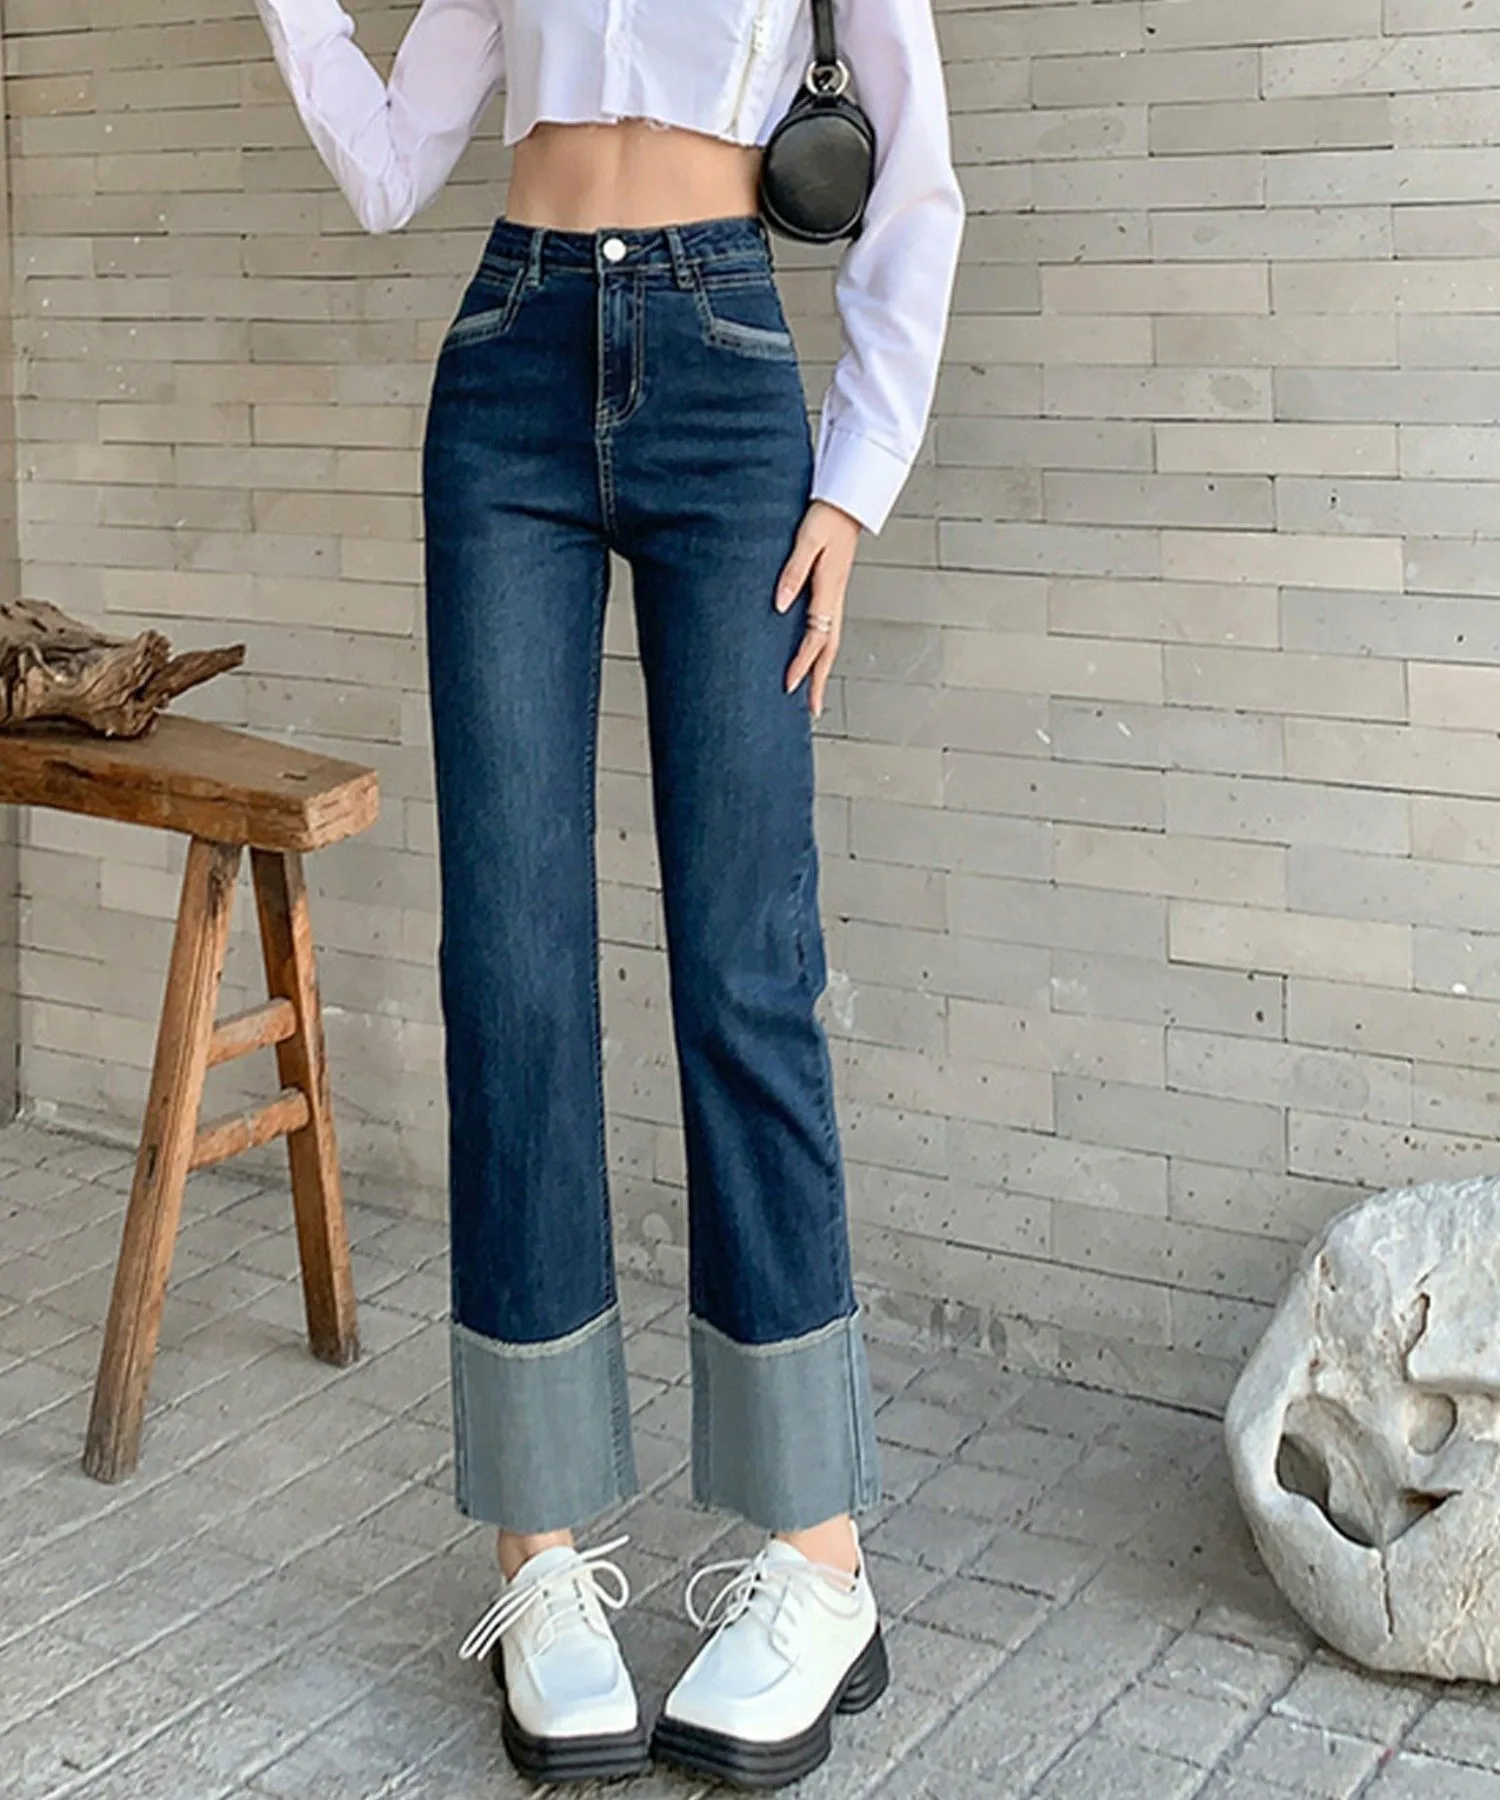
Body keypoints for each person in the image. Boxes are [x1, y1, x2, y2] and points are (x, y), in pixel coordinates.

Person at [253, 0, 965, 1786]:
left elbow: (917, 173)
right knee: (511, 972)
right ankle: (542, 1552)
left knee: (744, 964)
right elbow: (391, 165)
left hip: (726, 370)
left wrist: (858, 482)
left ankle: (821, 1560)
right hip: (508, 366)